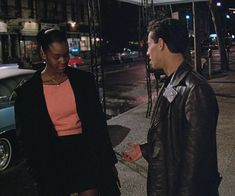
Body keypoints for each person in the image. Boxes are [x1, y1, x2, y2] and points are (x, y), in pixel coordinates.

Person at [15, 29, 120, 196]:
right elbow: (26, 138)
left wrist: (109, 161)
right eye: (56, 56)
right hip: (52, 156)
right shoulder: (28, 93)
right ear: (43, 54)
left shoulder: (83, 81)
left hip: (84, 151)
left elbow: (98, 124)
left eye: (66, 55)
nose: (63, 61)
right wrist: (34, 169)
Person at [122, 18, 221, 196]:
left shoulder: (195, 89)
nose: (146, 53)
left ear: (160, 44)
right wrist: (145, 150)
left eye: (149, 45)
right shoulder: (173, 82)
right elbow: (176, 138)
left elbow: (196, 163)